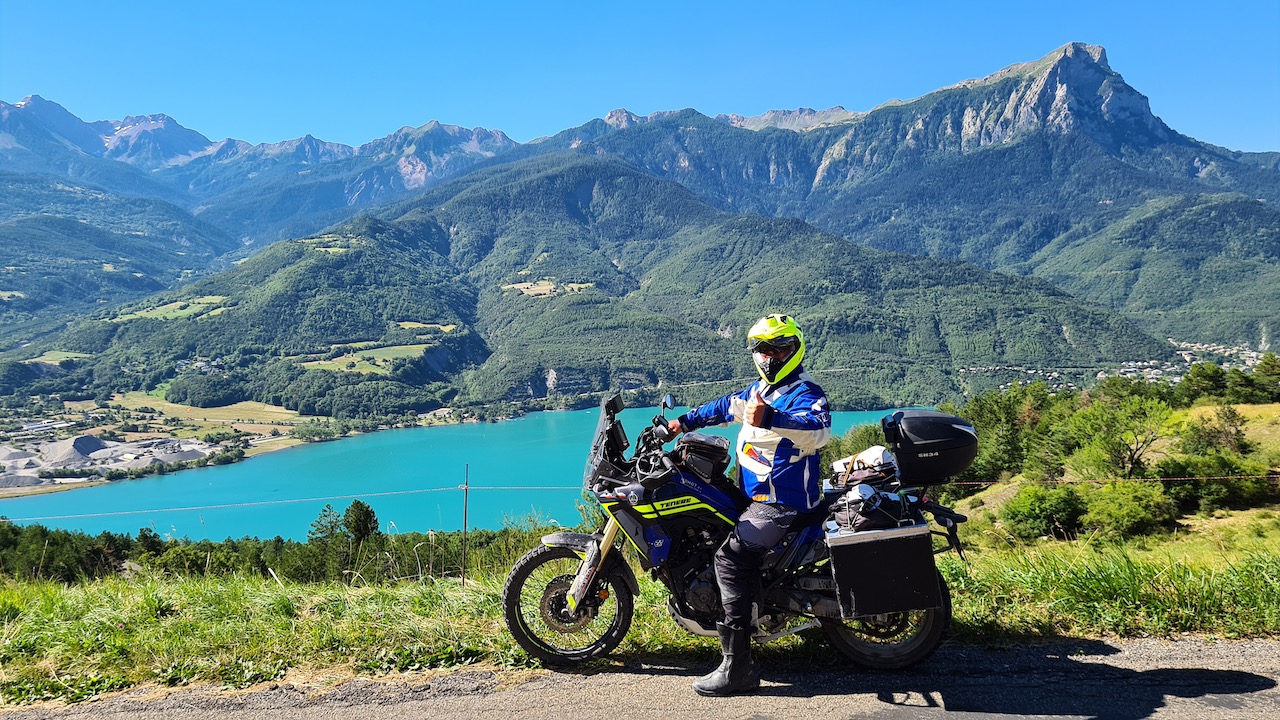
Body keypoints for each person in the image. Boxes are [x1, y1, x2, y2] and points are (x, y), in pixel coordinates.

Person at [666, 314, 831, 696]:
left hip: (782, 505)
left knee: (728, 558)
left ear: (794, 349)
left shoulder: (805, 393)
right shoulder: (761, 391)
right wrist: (678, 424)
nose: (770, 356)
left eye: (779, 349)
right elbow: (725, 407)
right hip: (756, 498)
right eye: (762, 349)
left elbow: (819, 431)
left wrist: (773, 418)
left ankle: (736, 666)